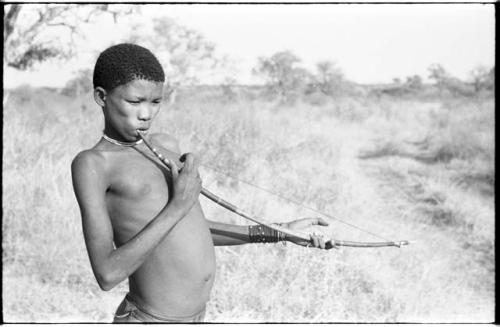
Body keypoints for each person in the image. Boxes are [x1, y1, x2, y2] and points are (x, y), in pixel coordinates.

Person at [71, 43, 333, 323]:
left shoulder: (166, 145)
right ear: (102, 96)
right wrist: (179, 204)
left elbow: (187, 230)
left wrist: (279, 232)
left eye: (155, 102)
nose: (146, 114)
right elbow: (107, 274)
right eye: (134, 102)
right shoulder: (94, 164)